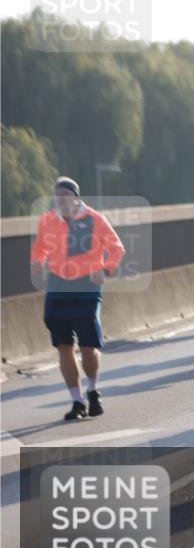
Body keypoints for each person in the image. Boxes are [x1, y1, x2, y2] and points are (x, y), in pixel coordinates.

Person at [31, 177, 126, 420]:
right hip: (57, 285)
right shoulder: (48, 220)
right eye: (57, 196)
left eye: (65, 195)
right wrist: (37, 262)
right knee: (63, 345)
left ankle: (93, 390)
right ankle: (77, 401)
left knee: (87, 346)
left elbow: (117, 248)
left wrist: (105, 270)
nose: (60, 200)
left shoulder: (95, 219)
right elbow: (40, 247)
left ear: (75, 197)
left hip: (86, 285)